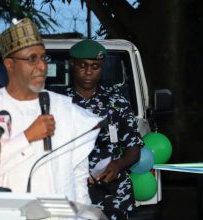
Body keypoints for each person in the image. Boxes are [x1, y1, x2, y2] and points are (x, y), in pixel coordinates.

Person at [0, 18, 102, 208]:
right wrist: (27, 137)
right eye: (32, 58)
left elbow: (78, 179)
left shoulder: (65, 110)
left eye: (43, 58)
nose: (42, 66)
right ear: (9, 65)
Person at [65, 39, 143, 220]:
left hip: (114, 195)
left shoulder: (117, 103)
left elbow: (134, 150)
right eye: (82, 65)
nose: (89, 72)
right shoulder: (59, 103)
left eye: (95, 66)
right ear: (72, 64)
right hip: (71, 194)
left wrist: (118, 164)